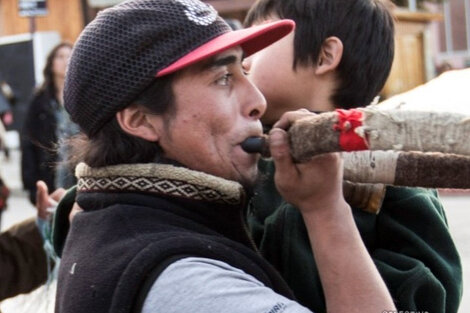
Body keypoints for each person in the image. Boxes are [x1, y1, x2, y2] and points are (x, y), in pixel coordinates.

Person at [53, 1, 396, 312]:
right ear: (140, 120)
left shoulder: (117, 220)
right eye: (222, 79)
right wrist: (326, 211)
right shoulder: (189, 285)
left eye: (245, 71)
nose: (258, 101)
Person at [242, 0, 463, 312]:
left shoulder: (387, 163)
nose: (244, 62)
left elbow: (429, 292)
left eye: (259, 43)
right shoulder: (246, 154)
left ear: (325, 56)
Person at [21, 42, 78, 204]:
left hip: (80, 168)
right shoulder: (39, 100)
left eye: (70, 56)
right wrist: (31, 183)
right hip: (50, 171)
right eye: (60, 57)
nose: (66, 60)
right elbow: (28, 142)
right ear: (51, 63)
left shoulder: (83, 95)